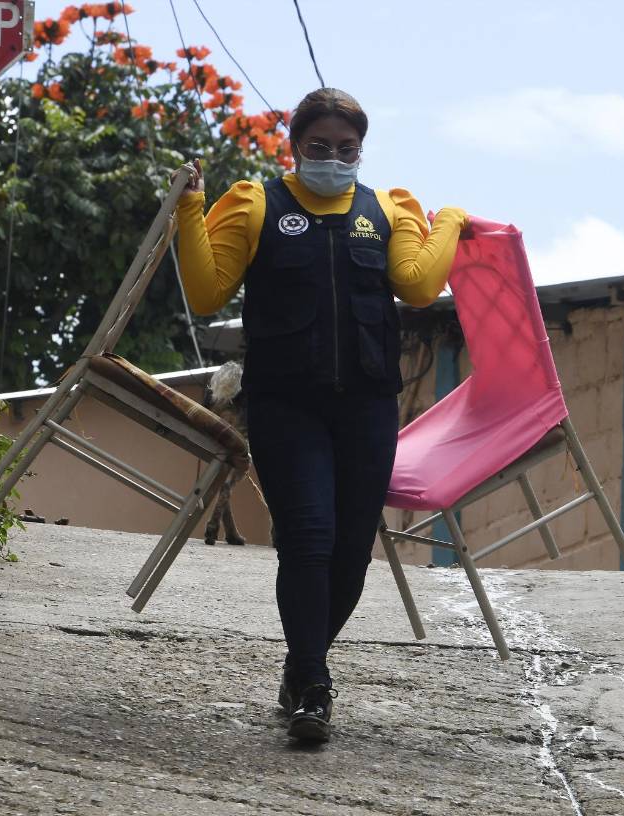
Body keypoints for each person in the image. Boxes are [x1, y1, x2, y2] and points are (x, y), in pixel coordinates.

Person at [173, 88, 468, 743]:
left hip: (366, 405)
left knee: (350, 556)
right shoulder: (258, 204)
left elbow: (419, 285)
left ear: (360, 151)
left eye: (346, 148)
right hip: (286, 404)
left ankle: (301, 666)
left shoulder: (385, 210)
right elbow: (205, 289)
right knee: (306, 540)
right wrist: (191, 205)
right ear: (295, 148)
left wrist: (446, 219)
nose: (333, 158)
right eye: (319, 147)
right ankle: (314, 685)